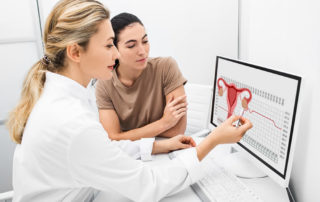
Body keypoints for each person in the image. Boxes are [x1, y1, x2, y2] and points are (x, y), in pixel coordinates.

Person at [6, 0, 252, 201]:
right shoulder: (72, 121)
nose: (116, 54)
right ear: (75, 52)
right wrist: (213, 141)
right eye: (109, 45)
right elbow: (149, 186)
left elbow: (104, 146)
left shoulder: (64, 98)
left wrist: (157, 146)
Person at [95, 13, 188, 141]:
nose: (142, 51)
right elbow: (113, 138)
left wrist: (127, 135)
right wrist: (164, 123)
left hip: (168, 149)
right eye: (131, 45)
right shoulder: (104, 83)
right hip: (132, 153)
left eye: (145, 41)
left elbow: (177, 131)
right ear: (114, 49)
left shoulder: (166, 67)